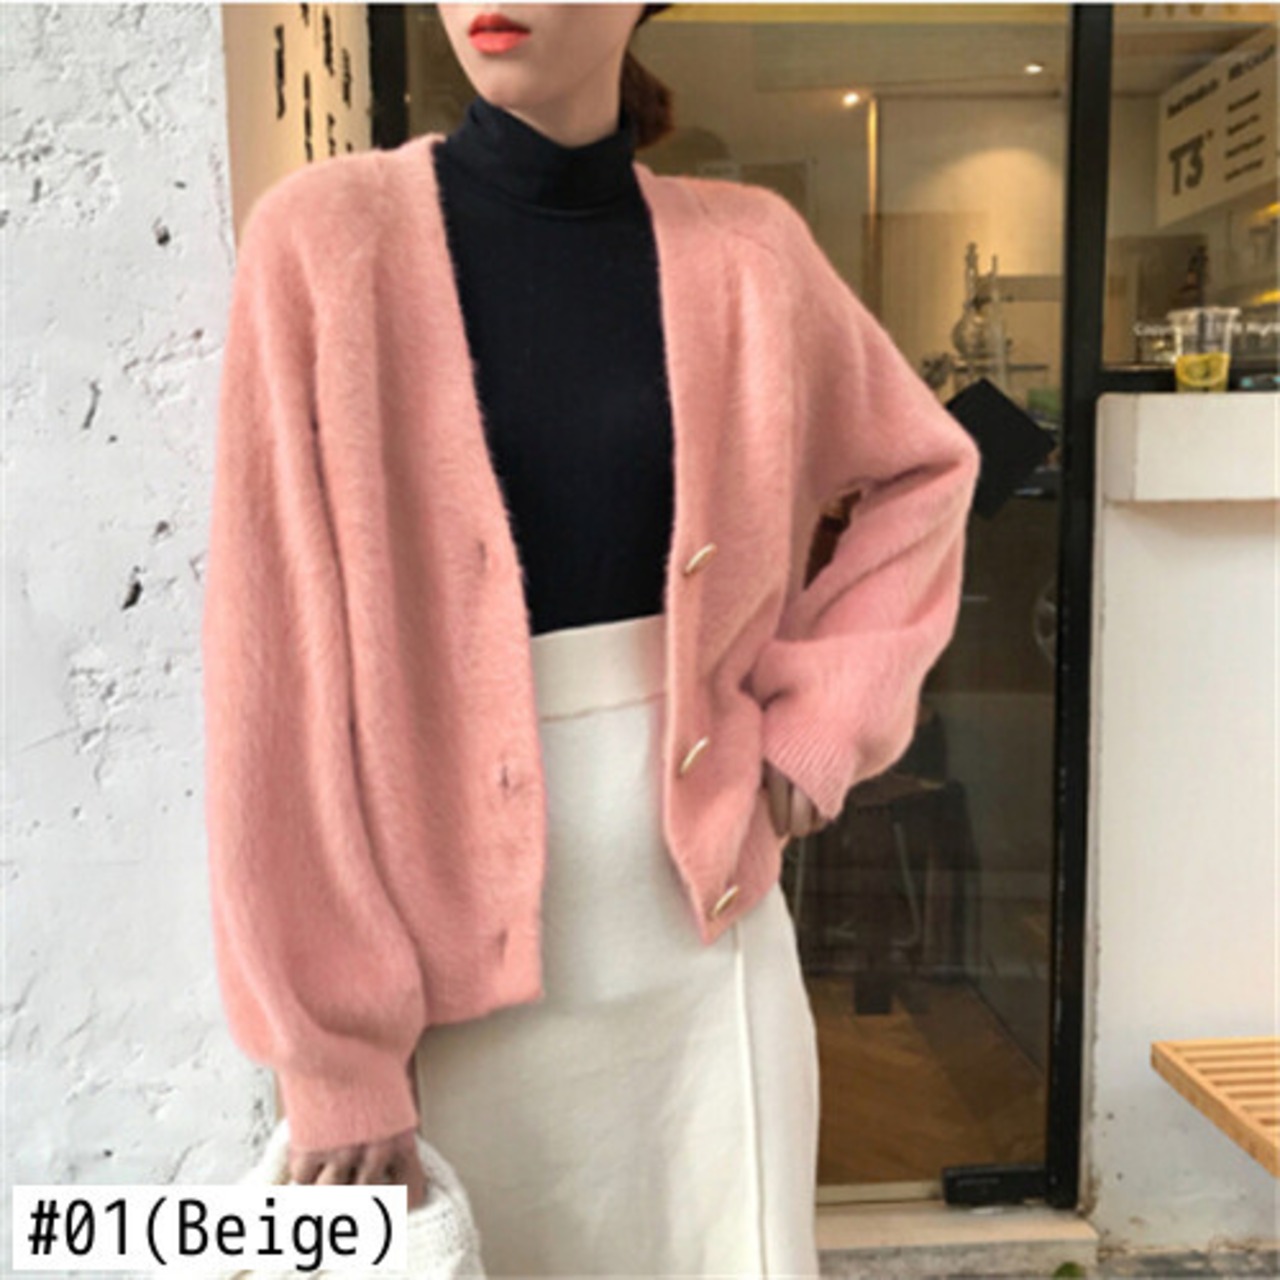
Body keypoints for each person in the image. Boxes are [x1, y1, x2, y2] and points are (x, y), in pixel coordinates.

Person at [202, 3, 981, 1275]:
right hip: (441, 984)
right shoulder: (325, 241)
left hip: (705, 946)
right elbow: (271, 668)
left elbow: (925, 471)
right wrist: (331, 1054)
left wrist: (826, 715)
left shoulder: (750, 253)